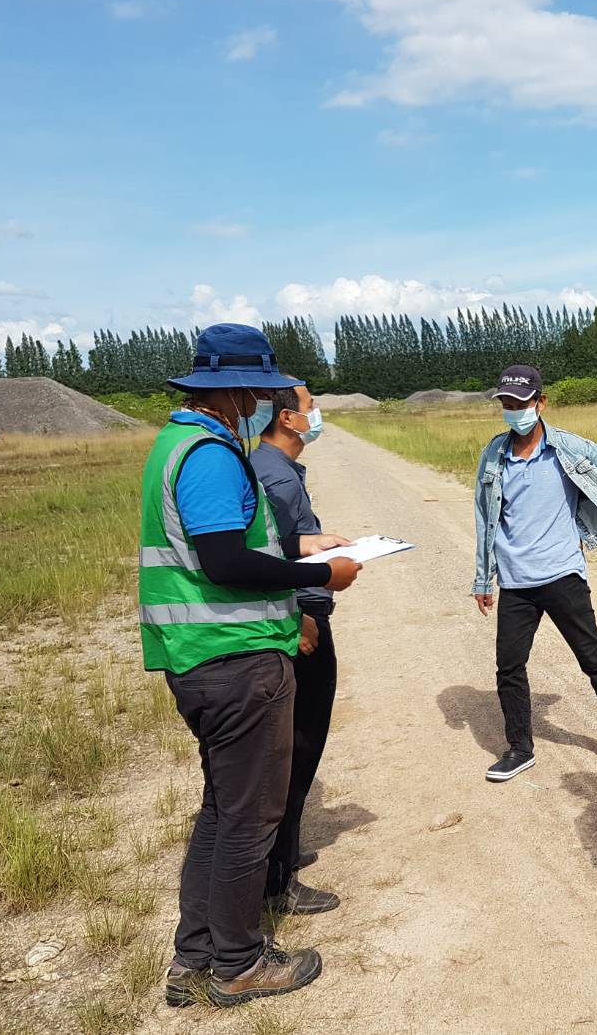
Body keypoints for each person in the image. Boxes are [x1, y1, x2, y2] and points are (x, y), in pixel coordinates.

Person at [140, 323, 362, 1009]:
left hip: (203, 658)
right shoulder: (209, 455)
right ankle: (237, 963)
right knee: (247, 820)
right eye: (259, 391)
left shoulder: (176, 443)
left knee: (221, 811)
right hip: (234, 660)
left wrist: (298, 550)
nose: (263, 403)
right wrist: (318, 573)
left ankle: (194, 957)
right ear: (237, 390)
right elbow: (224, 562)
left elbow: (221, 546)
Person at [471, 364, 597, 782]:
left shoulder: (569, 448)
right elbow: (484, 519)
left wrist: (583, 525)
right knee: (509, 668)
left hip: (563, 574)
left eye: (521, 403)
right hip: (515, 582)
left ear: (540, 402)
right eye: (507, 404)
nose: (514, 411)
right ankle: (519, 748)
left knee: (594, 659)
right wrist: (483, 579)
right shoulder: (494, 455)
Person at [251, 383, 342, 917]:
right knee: (297, 748)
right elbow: (264, 560)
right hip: (298, 622)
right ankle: (276, 877)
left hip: (296, 614)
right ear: (288, 418)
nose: (317, 413)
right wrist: (297, 614)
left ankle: (281, 856)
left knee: (292, 749)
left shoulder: (272, 468)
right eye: (311, 406)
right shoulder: (277, 478)